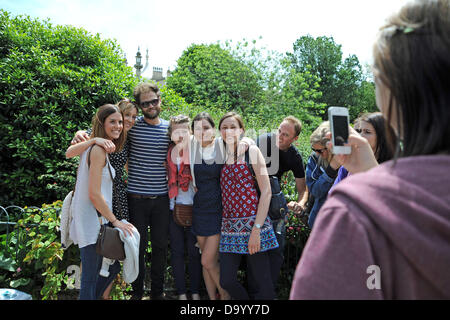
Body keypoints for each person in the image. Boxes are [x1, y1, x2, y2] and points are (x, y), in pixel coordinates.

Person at [290, 0, 450, 299]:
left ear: (389, 91)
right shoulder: (356, 181)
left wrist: (370, 188)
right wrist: (368, 173)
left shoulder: (355, 212)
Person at [68, 98, 138, 299]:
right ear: (102, 124)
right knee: (90, 277)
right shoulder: (97, 148)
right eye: (113, 122)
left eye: (120, 122)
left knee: (105, 269)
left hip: (98, 217)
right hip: (93, 219)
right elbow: (94, 194)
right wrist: (115, 221)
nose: (119, 126)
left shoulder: (105, 146)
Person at [218, 112, 279, 300]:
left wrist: (257, 230)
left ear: (242, 130)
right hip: (230, 227)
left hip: (255, 224)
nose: (228, 131)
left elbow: (266, 191)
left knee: (262, 281)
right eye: (224, 127)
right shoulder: (219, 153)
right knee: (226, 280)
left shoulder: (252, 152)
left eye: (233, 127)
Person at [249, 116, 306, 294]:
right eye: (279, 130)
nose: (279, 136)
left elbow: (303, 190)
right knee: (254, 252)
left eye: (285, 134)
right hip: (251, 200)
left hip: (273, 205)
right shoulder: (261, 141)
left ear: (295, 139)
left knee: (275, 252)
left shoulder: (294, 157)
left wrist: (300, 203)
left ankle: (267, 294)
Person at [126, 82, 171, 300]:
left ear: (159, 99)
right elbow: (106, 128)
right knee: (138, 248)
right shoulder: (132, 126)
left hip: (161, 199)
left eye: (154, 100)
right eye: (146, 103)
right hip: (136, 199)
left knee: (161, 247)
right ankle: (136, 293)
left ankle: (157, 293)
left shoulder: (170, 129)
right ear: (139, 106)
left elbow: (199, 141)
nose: (151, 105)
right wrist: (81, 133)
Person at [189, 112, 230, 300]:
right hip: (199, 208)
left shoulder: (222, 145)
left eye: (206, 127)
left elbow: (246, 141)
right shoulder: (192, 146)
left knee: (208, 259)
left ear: (213, 129)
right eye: (197, 128)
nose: (202, 131)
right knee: (206, 260)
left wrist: (248, 143)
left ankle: (226, 296)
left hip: (217, 209)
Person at [166, 115, 202, 300]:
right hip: (174, 209)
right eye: (176, 131)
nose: (180, 135)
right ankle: (181, 293)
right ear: (171, 134)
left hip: (196, 210)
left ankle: (195, 292)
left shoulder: (199, 151)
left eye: (184, 131)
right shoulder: (167, 152)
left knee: (195, 253)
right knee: (177, 253)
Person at [331, 112, 394, 188]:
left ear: (383, 136)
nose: (360, 136)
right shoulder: (348, 165)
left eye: (367, 132)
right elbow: (333, 194)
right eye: (359, 131)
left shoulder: (395, 168)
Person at [304, 121, 340, 228]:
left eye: (319, 151)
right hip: (319, 220)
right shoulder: (315, 159)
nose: (316, 153)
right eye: (313, 150)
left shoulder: (348, 159)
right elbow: (315, 190)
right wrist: (332, 169)